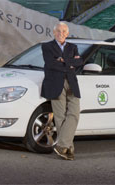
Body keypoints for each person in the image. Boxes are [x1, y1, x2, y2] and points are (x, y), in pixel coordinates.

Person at [41, 22, 83, 160]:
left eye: (64, 31)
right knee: (60, 117)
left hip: (72, 84)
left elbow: (79, 62)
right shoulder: (47, 46)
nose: (61, 33)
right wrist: (69, 62)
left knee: (74, 114)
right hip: (55, 83)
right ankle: (68, 149)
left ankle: (61, 146)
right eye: (58, 31)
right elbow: (50, 64)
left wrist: (62, 60)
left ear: (67, 33)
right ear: (53, 32)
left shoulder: (73, 47)